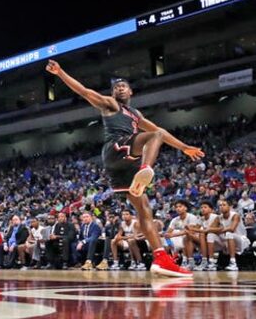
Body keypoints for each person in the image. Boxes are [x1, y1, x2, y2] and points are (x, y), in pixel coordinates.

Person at [46, 59, 204, 278]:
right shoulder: (111, 105)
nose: (119, 88)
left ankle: (161, 259)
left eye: (123, 86)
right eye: (115, 86)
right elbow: (84, 91)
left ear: (130, 91)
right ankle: (146, 169)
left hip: (122, 166)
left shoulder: (136, 115)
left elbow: (161, 132)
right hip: (115, 148)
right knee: (154, 137)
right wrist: (61, 72)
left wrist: (185, 147)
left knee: (145, 209)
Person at [164, 200, 201, 270]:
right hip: (181, 239)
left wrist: (173, 235)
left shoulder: (191, 217)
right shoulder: (175, 220)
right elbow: (167, 233)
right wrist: (169, 242)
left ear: (185, 208)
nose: (178, 208)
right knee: (165, 239)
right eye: (176, 207)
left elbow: (190, 231)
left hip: (195, 238)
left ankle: (188, 261)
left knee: (185, 236)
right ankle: (168, 262)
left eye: (180, 206)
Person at [217, 198, 248, 271]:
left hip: (241, 241)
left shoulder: (235, 215)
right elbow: (211, 228)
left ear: (230, 207)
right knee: (210, 236)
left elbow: (232, 229)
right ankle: (209, 262)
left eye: (224, 205)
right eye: (220, 205)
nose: (221, 206)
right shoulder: (219, 217)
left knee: (229, 233)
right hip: (228, 240)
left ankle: (233, 263)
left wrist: (218, 230)